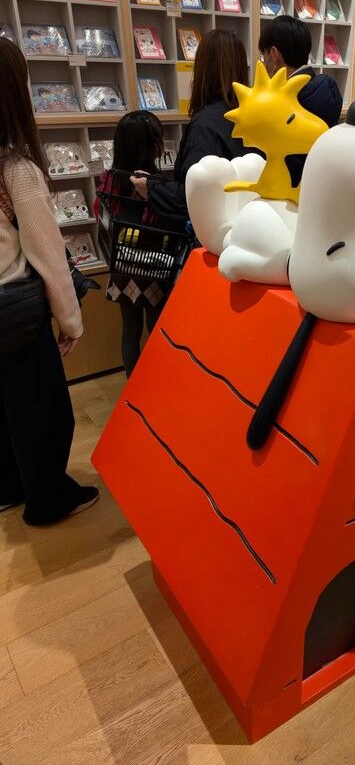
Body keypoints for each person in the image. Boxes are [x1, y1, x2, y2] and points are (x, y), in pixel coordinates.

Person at [0, 38, 98, 524]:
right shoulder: (16, 171)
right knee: (43, 411)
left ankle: (9, 486)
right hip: (16, 313)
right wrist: (71, 321)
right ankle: (48, 499)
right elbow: (48, 258)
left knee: (6, 410)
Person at [131, 29, 252, 218]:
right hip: (250, 221)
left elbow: (195, 196)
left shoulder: (205, 125)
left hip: (216, 228)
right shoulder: (255, 114)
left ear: (203, 69)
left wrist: (151, 188)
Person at [93, 110, 168, 378]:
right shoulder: (153, 182)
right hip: (155, 267)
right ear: (150, 145)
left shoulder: (111, 179)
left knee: (130, 332)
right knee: (157, 329)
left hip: (123, 265)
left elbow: (100, 211)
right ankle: (159, 384)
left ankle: (132, 387)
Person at [258, 15, 343, 186]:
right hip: (319, 188)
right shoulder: (325, 91)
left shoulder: (281, 103)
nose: (263, 62)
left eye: (263, 55)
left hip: (286, 193)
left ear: (274, 55)